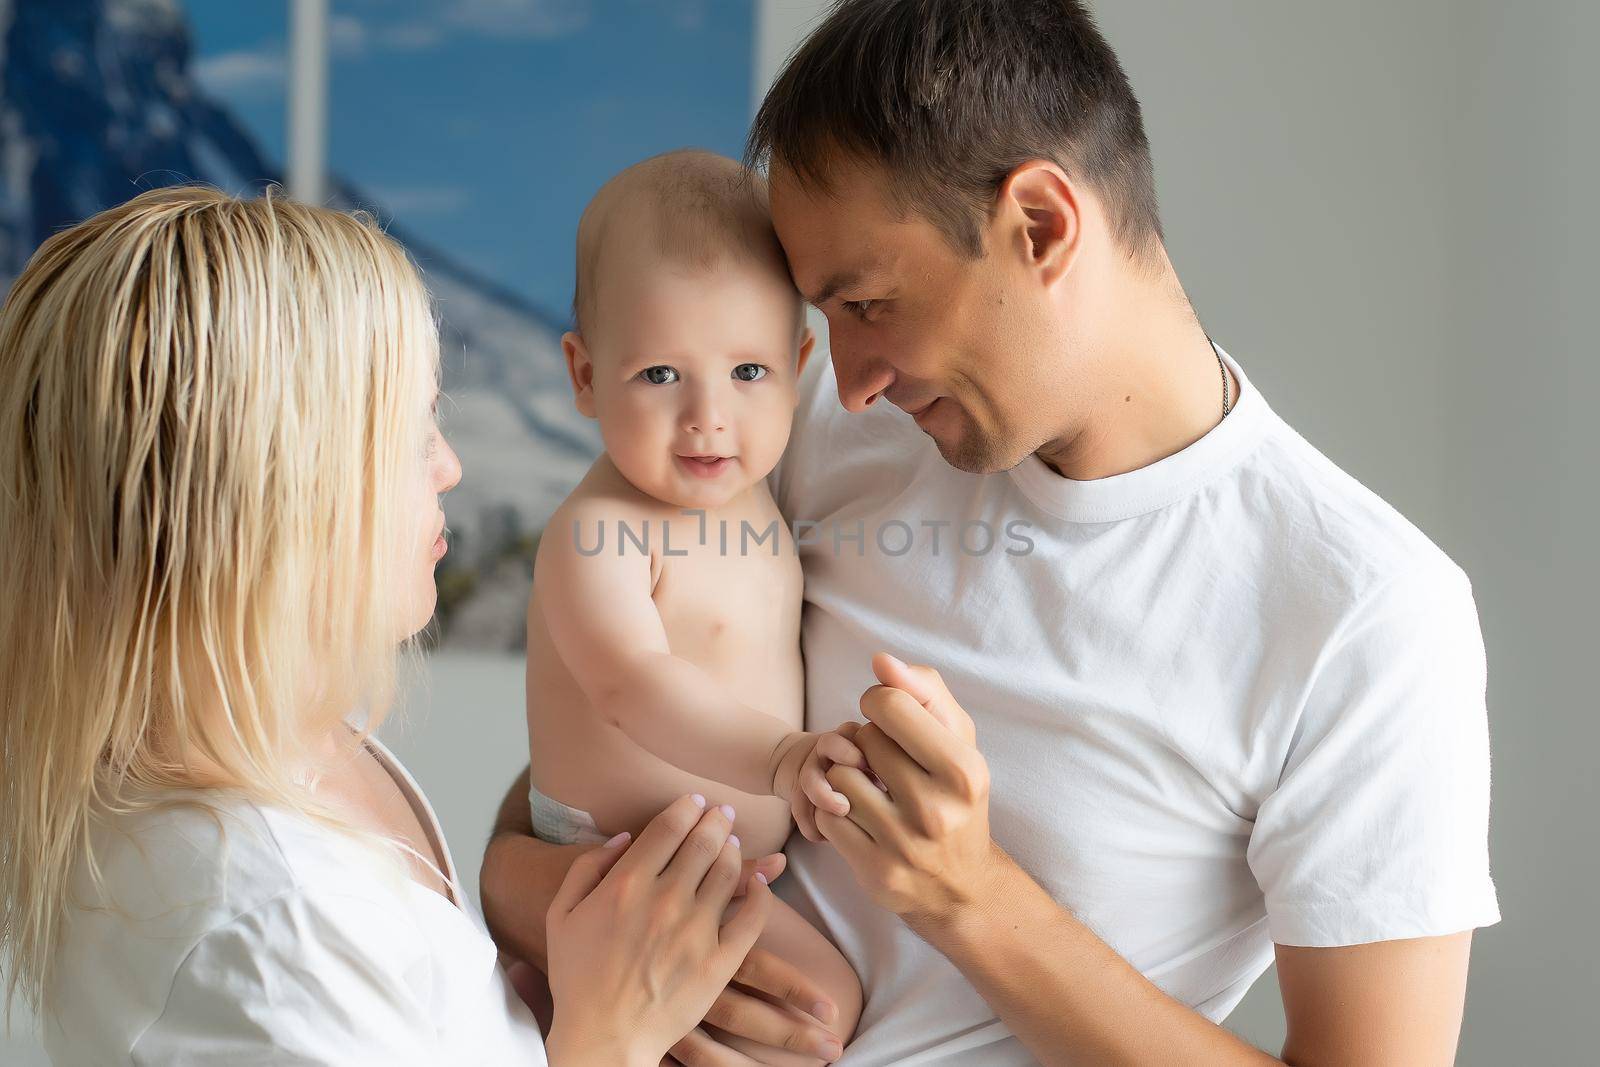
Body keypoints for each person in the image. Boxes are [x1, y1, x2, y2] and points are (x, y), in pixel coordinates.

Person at [480, 2, 1500, 1064]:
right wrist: (533, 890)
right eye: (820, 321)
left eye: (868, 304)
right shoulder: (822, 424)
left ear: (1042, 226)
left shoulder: (1364, 617)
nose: (853, 374)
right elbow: (597, 732)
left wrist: (973, 897)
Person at [0, 186, 793, 1066]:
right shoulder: (269, 931)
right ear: (278, 490)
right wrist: (609, 1037)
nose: (449, 465)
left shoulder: (302, 749)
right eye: (411, 433)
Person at [525, 149, 861, 1061]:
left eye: (748, 372)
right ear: (586, 376)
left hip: (704, 864)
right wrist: (781, 755)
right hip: (621, 859)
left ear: (798, 366)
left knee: (805, 1018)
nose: (710, 417)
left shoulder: (760, 496)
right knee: (823, 1004)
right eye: (662, 376)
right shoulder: (598, 531)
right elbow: (633, 683)